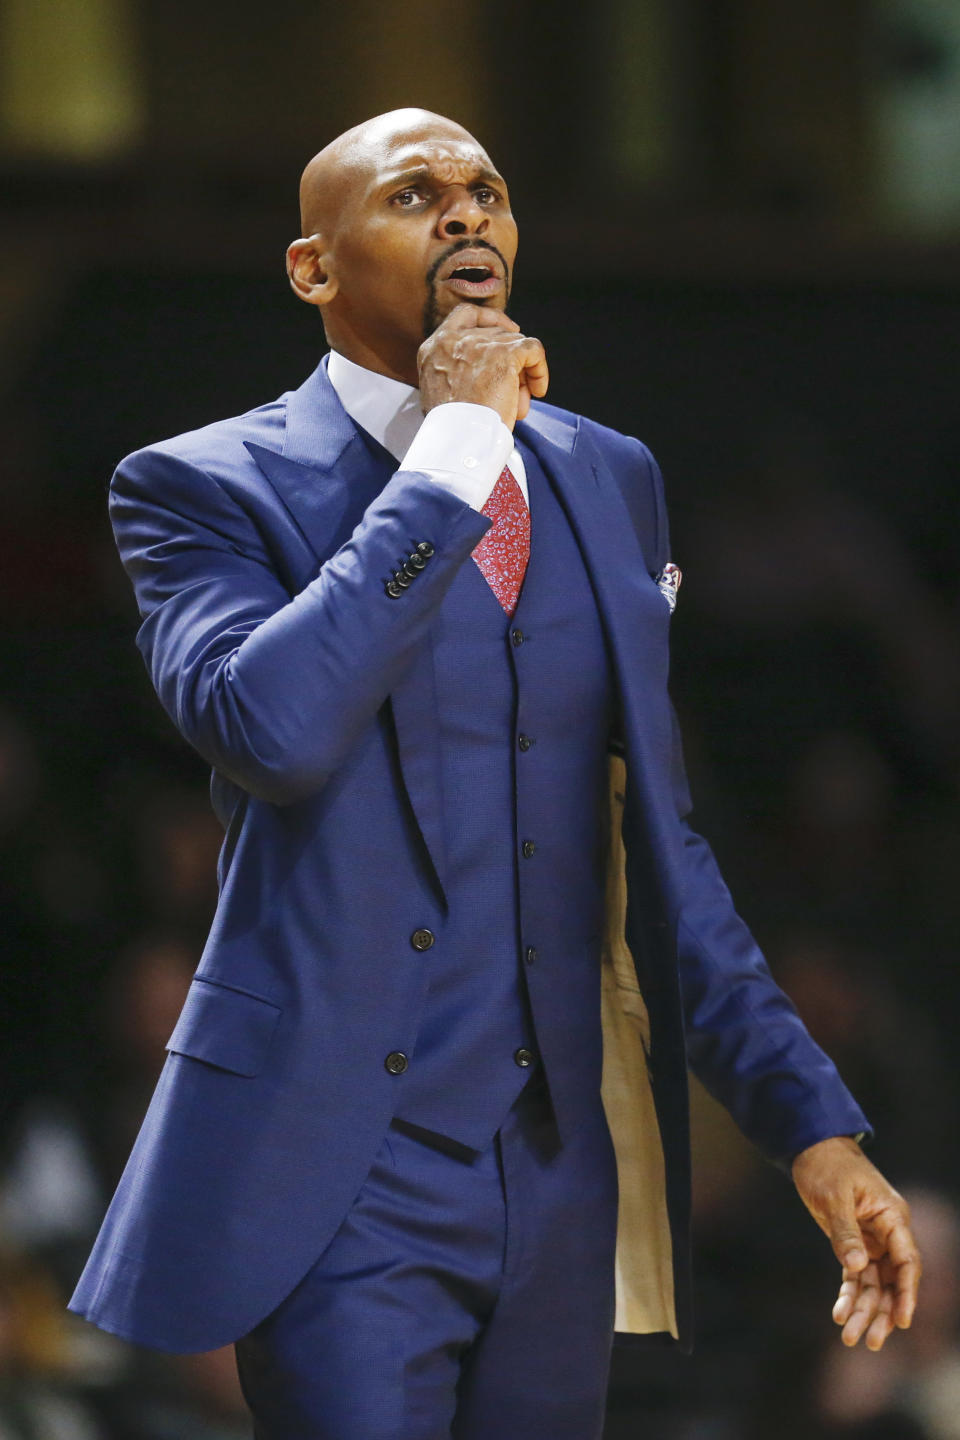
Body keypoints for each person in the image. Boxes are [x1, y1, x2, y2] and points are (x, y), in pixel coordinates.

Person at [68, 108, 921, 1439]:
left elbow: (658, 848)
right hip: (339, 1176)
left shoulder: (606, 474)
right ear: (312, 268)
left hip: (559, 1171)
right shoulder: (203, 486)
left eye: (488, 192)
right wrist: (456, 448)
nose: (466, 216)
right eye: (415, 195)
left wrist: (812, 1127)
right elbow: (273, 726)